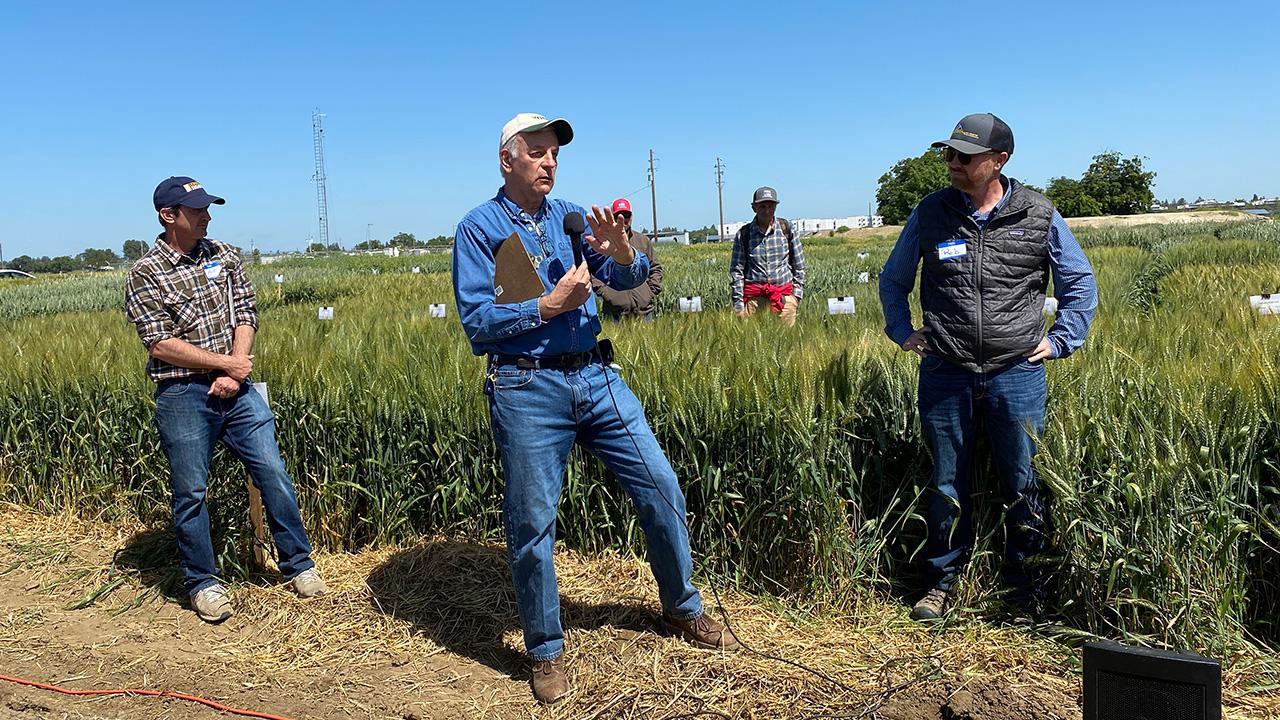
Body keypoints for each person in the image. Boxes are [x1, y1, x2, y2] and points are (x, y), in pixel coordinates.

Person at [452, 113, 740, 705]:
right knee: (532, 523)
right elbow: (478, 323)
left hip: (598, 377)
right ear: (508, 160)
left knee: (660, 484)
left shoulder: (572, 216)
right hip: (527, 389)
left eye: (554, 153)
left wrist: (623, 253)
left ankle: (683, 609)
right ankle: (545, 649)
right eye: (537, 152)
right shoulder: (479, 229)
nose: (550, 162)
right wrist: (547, 307)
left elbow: (624, 277)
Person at [877, 113, 1098, 622]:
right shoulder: (931, 212)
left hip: (1015, 372)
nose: (952, 163)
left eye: (964, 156)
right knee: (946, 482)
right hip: (946, 370)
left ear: (998, 161)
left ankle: (1026, 589)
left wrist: (1063, 340)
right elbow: (893, 279)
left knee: (1022, 482)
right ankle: (940, 583)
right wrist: (901, 331)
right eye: (948, 154)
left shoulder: (1038, 214)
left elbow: (1079, 283)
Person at [124, 177, 327, 624]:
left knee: (272, 470)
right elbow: (159, 343)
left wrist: (235, 366)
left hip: (237, 387)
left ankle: (299, 565)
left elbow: (246, 312)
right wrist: (225, 365)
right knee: (191, 491)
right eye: (196, 209)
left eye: (208, 208)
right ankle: (203, 582)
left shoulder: (224, 254)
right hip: (182, 394)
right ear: (168, 215)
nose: (207, 215)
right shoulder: (145, 273)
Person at [729, 186, 805, 326]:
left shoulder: (786, 228)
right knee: (751, 345)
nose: (767, 210)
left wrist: (795, 297)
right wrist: (739, 306)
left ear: (776, 206)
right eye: (762, 206)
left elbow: (799, 265)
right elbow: (736, 272)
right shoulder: (744, 234)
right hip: (754, 302)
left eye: (771, 206)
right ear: (754, 207)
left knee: (787, 344)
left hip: (784, 299)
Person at [591, 197, 663, 321]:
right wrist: (605, 293)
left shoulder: (643, 240)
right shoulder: (603, 242)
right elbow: (594, 272)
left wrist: (649, 293)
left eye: (626, 215)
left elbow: (656, 268)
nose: (622, 219)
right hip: (615, 314)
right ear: (612, 217)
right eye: (618, 215)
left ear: (631, 217)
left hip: (644, 311)